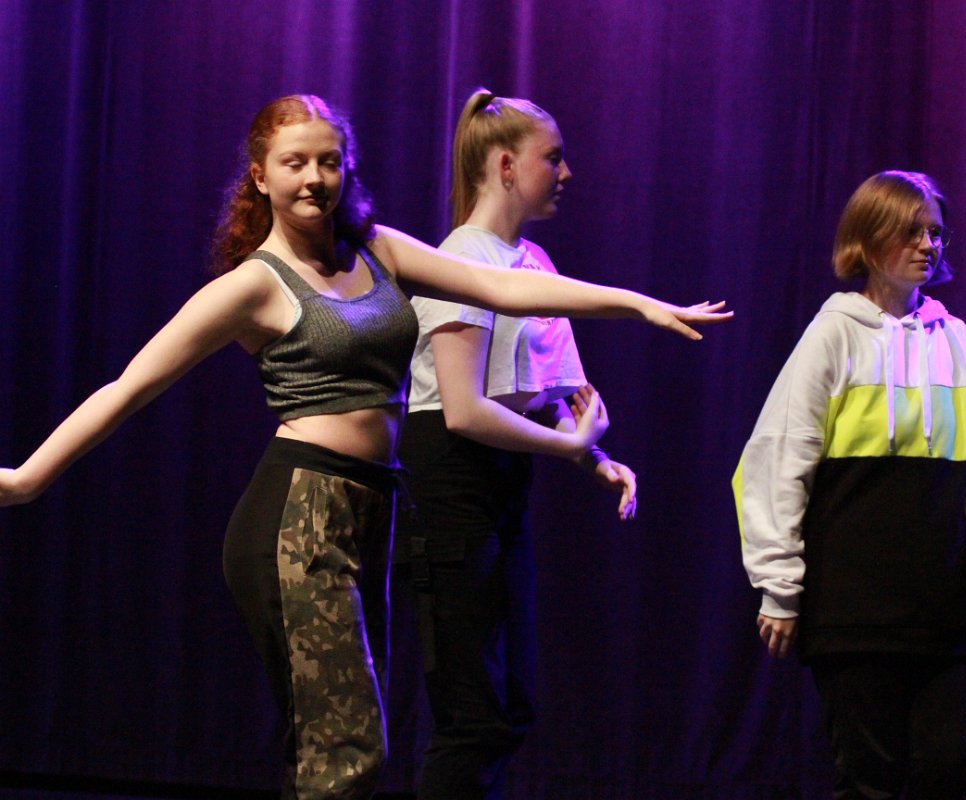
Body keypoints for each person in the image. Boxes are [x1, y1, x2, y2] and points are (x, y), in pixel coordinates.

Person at [0, 94, 730, 799]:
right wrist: (29, 478)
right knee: (346, 749)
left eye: (329, 161)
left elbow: (501, 288)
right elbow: (129, 386)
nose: (314, 178)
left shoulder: (377, 250)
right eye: (294, 163)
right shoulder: (253, 284)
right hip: (298, 512)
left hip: (372, 508)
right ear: (260, 176)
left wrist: (639, 305)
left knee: (339, 749)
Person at [733, 171, 966, 798]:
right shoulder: (835, 334)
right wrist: (779, 587)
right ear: (868, 240)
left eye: (936, 232)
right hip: (854, 608)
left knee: (944, 771)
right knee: (872, 778)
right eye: (910, 232)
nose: (928, 244)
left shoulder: (955, 341)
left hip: (943, 607)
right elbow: (778, 458)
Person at [393, 89, 639, 800]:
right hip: (451, 481)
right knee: (472, 715)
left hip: (501, 486)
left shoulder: (534, 261)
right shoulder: (460, 260)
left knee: (510, 706)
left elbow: (557, 395)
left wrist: (596, 457)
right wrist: (567, 449)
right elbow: (464, 410)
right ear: (505, 166)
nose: (567, 173)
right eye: (552, 158)